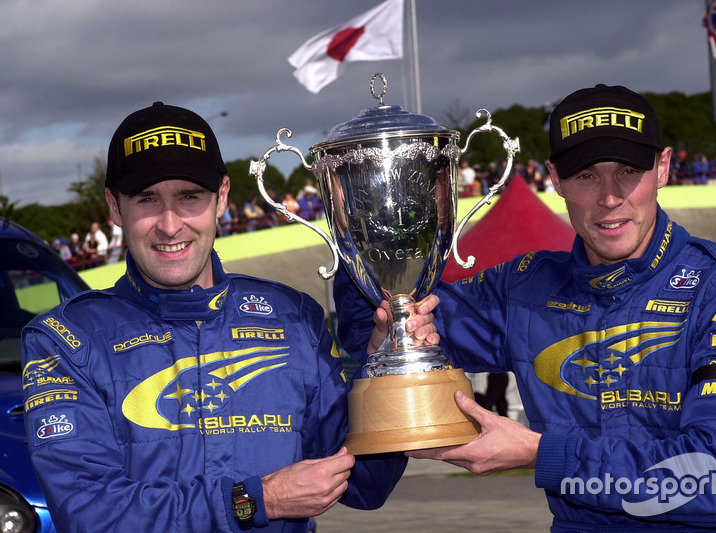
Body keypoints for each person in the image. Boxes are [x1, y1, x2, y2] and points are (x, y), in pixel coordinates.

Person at [334, 85, 716, 531]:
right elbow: (379, 327)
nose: (610, 197)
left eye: (629, 170)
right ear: (555, 179)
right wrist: (366, 218)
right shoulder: (522, 286)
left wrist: (540, 452)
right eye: (587, 175)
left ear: (663, 168)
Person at [21, 102, 428, 532]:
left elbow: (364, 484)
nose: (170, 224)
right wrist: (255, 500)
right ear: (115, 208)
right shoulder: (65, 340)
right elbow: (90, 513)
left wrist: (387, 367)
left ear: (222, 198)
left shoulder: (294, 317)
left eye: (189, 197)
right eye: (146, 200)